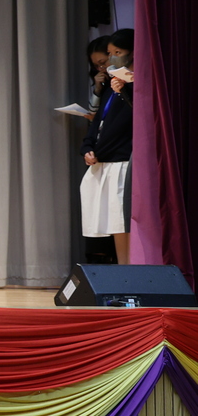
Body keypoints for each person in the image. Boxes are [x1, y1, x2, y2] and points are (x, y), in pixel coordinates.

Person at [80, 28, 133, 263]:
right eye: (109, 54)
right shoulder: (111, 88)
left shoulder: (135, 86)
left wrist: (126, 88)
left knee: (123, 222)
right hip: (103, 163)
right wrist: (87, 148)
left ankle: (131, 272)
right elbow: (97, 123)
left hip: (121, 162)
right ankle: (123, 271)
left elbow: (131, 122)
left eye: (117, 53)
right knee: (114, 224)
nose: (111, 60)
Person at [84, 35, 111, 121]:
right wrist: (97, 90)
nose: (100, 68)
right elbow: (92, 113)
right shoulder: (105, 82)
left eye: (103, 62)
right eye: (96, 66)